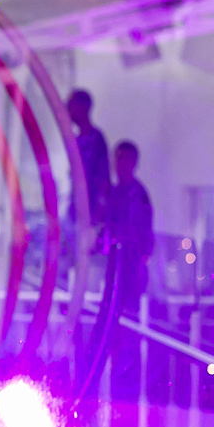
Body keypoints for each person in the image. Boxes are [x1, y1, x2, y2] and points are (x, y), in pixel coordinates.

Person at [106, 140, 154, 402]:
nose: (119, 164)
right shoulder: (115, 194)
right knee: (114, 330)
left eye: (124, 159)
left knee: (128, 331)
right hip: (116, 272)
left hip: (129, 273)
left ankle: (126, 386)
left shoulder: (138, 196)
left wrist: (136, 259)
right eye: (117, 158)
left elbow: (143, 236)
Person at [66, 89, 111, 228]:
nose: (67, 110)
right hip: (76, 210)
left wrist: (99, 211)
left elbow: (103, 177)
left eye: (71, 105)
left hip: (90, 212)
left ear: (82, 108)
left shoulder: (96, 139)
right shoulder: (77, 140)